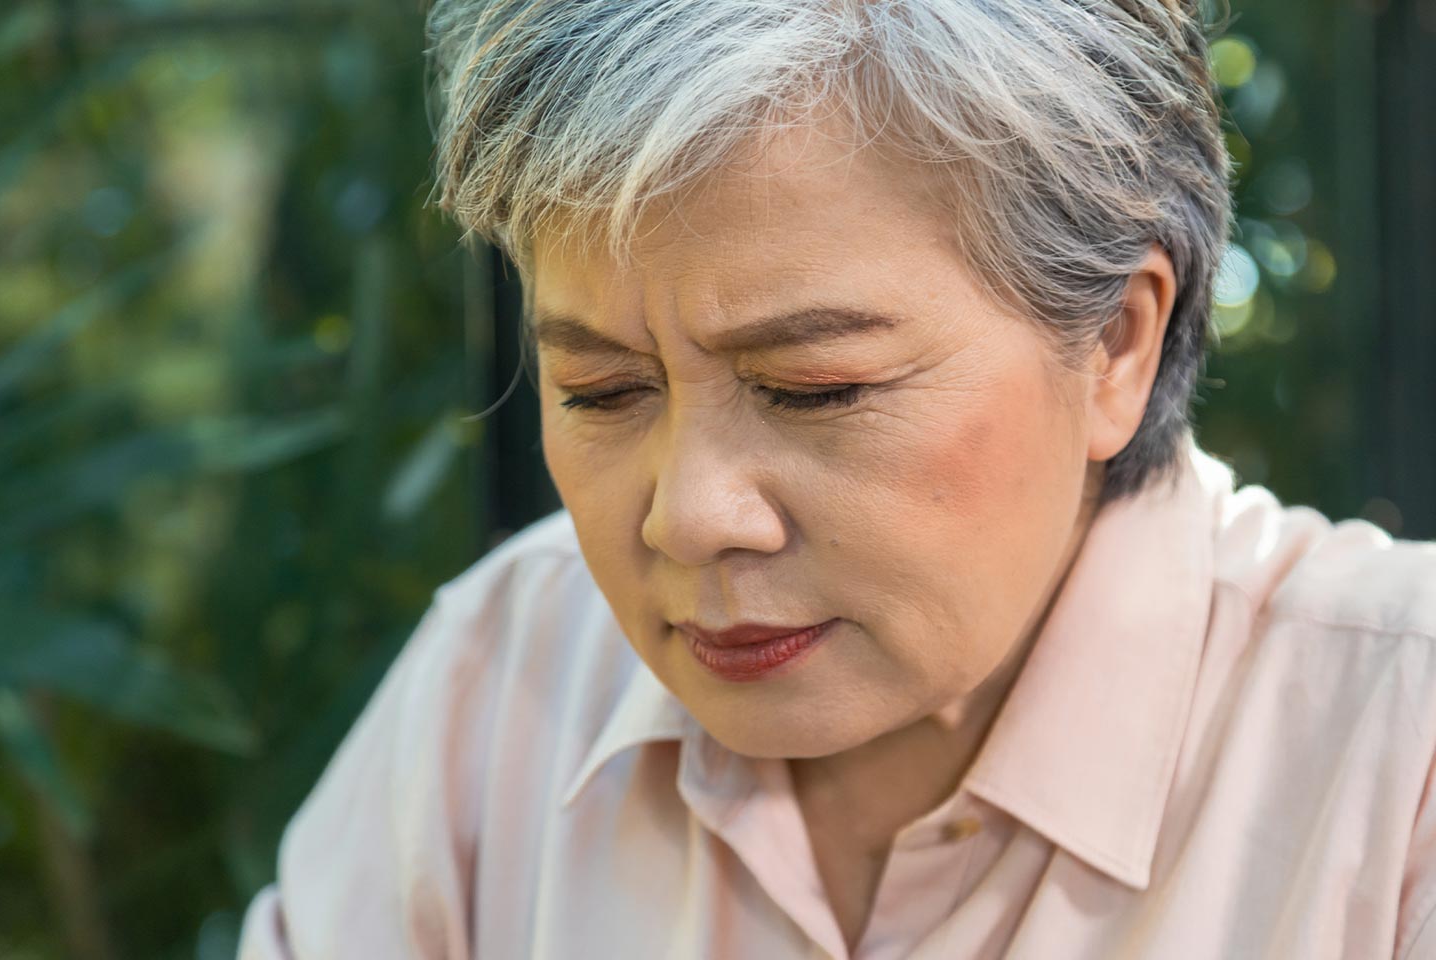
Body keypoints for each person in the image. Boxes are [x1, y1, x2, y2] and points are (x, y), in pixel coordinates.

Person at [237, 1, 1436, 957]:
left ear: (1114, 344)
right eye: (603, 393)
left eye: (815, 388)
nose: (690, 515)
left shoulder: (1400, 751)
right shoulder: (501, 676)